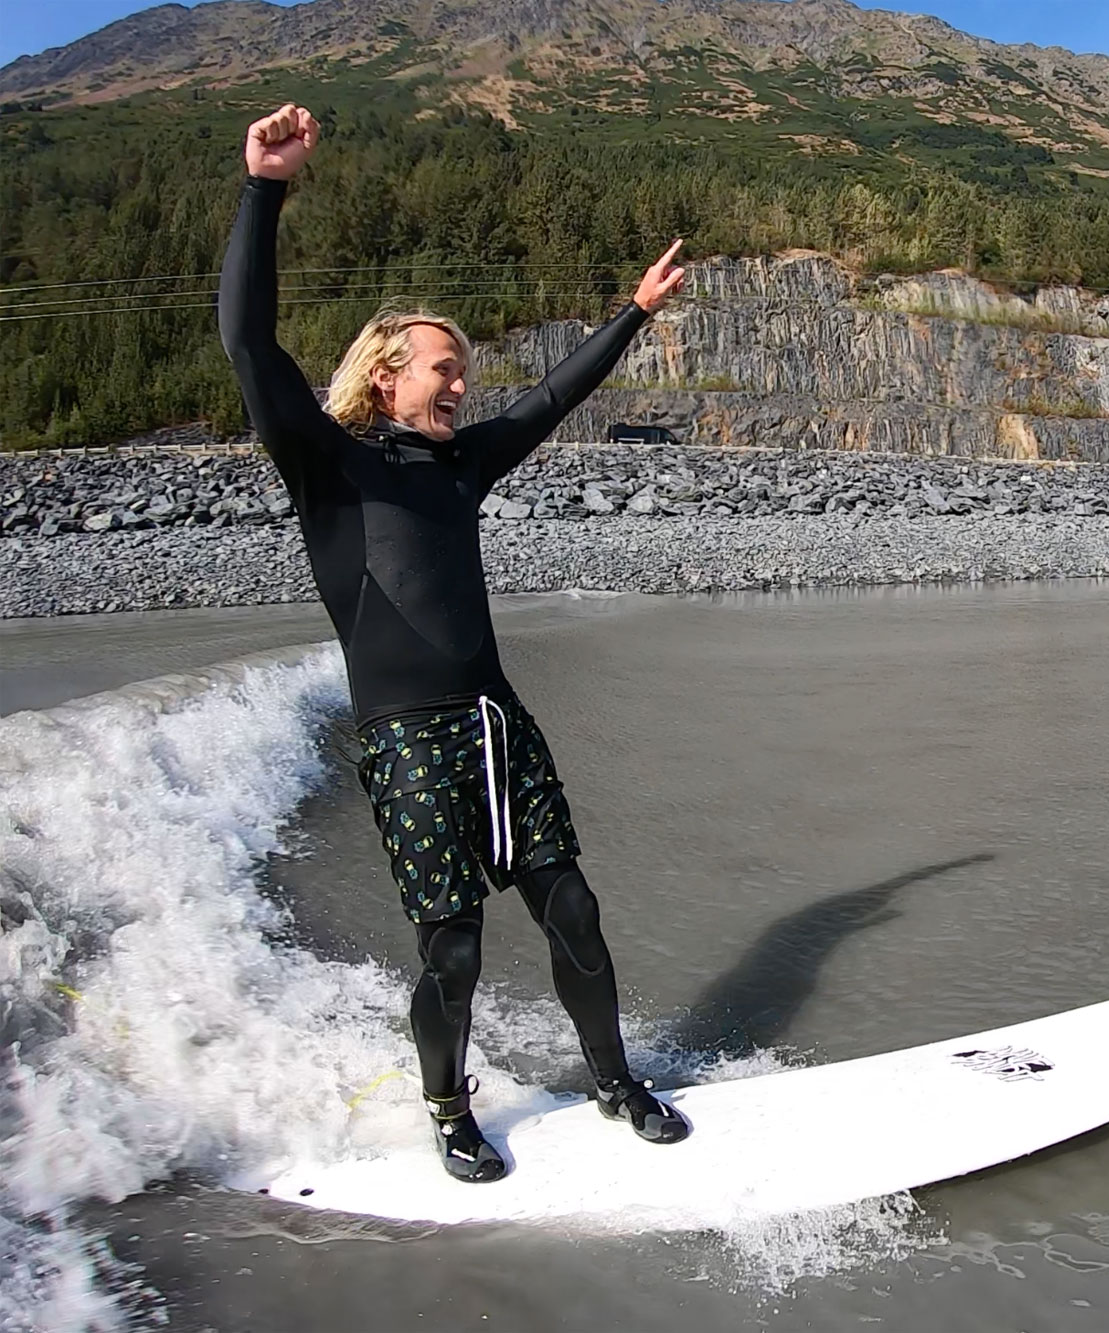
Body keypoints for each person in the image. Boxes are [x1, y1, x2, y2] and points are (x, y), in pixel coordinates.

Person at [219, 103, 690, 1183]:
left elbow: (551, 398)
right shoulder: (329, 464)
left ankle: (614, 1079)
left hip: (494, 720)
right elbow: (248, 342)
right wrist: (263, 188)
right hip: (408, 738)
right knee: (454, 942)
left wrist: (632, 313)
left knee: (573, 908)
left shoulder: (462, 463)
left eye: (463, 369)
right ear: (387, 374)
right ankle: (447, 1108)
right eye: (443, 367)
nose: (462, 383)